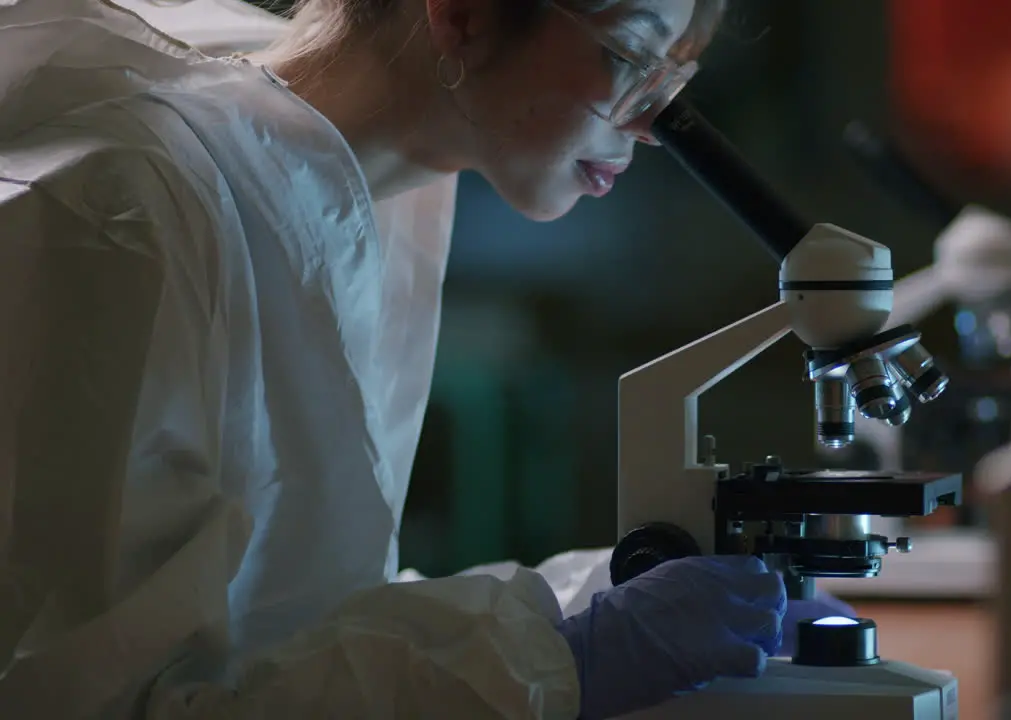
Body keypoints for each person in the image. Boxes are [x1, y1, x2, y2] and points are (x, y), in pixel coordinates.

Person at [0, 0, 852, 717]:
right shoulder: (124, 215)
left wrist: (581, 604)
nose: (652, 125)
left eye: (672, 78)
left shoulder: (363, 192)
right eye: (630, 54)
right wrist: (557, 667)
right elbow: (96, 702)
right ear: (464, 13)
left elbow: (292, 619)